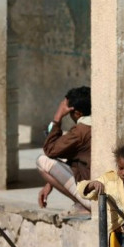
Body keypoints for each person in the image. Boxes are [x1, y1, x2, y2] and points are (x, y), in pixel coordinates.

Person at [36, 86, 92, 219]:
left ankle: (83, 205)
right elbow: (75, 157)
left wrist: (58, 117)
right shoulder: (96, 124)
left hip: (92, 198)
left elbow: (50, 150)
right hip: (101, 192)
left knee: (42, 161)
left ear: (77, 113)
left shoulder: (81, 131)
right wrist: (50, 184)